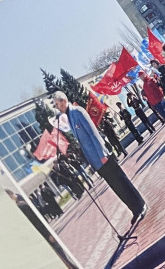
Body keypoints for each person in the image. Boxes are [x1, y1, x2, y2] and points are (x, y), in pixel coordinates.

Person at [53, 92, 145, 225]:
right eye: (55, 105)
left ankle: (140, 205)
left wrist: (102, 154)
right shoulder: (69, 118)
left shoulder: (78, 112)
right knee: (116, 186)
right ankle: (134, 209)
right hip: (96, 161)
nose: (57, 107)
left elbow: (93, 133)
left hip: (102, 156)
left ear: (63, 100)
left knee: (121, 181)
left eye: (57, 104)